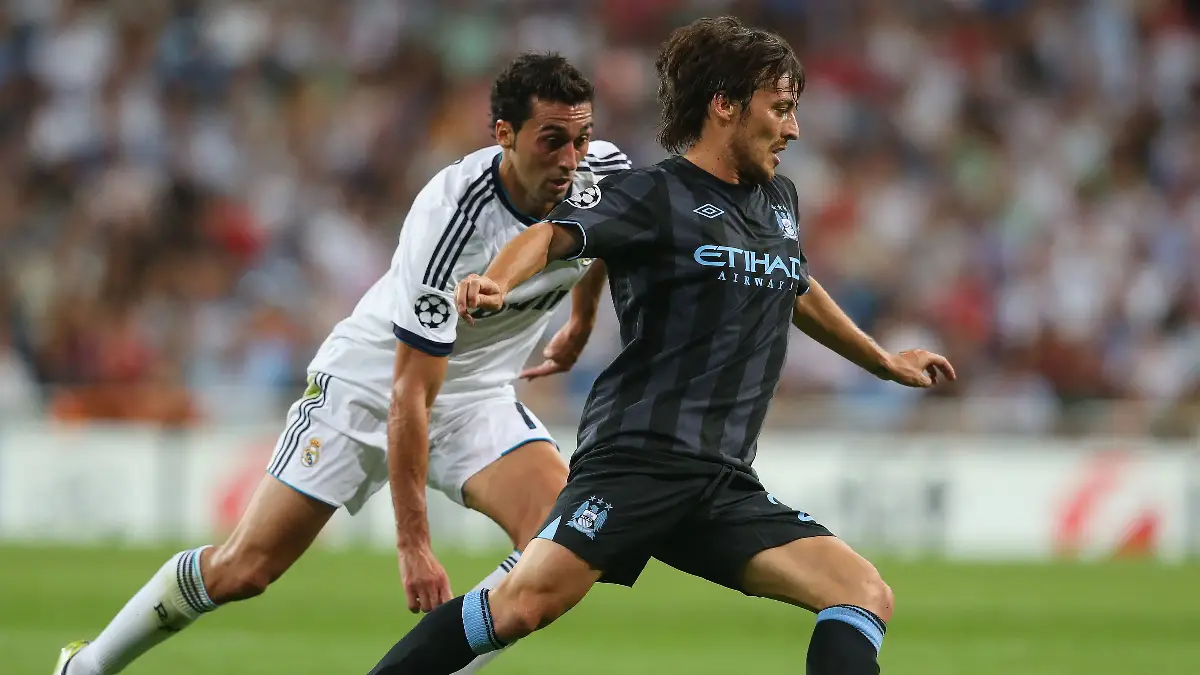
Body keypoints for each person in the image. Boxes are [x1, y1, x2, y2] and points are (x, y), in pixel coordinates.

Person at [366, 17, 956, 675]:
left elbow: (793, 281)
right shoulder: (652, 194)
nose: (793, 129)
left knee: (862, 591)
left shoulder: (778, 200)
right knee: (522, 603)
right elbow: (552, 237)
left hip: (722, 478)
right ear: (725, 106)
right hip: (639, 460)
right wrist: (496, 281)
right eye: (781, 110)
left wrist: (882, 360)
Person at [54, 53, 632, 675]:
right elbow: (408, 394)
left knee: (560, 544)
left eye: (581, 139)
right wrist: (413, 543)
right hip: (370, 387)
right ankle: (85, 667)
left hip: (476, 397)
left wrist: (579, 321)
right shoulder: (450, 222)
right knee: (245, 568)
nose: (571, 159)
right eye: (552, 141)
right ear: (504, 135)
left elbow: (603, 238)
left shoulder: (604, 174)